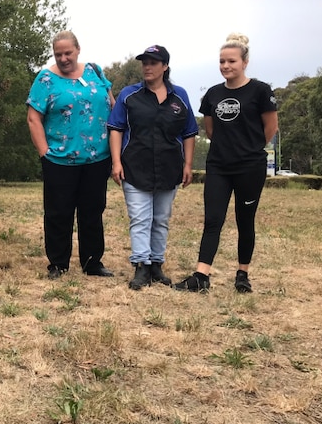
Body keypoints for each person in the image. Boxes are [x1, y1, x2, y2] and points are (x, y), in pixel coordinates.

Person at [173, 33, 278, 293]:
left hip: (250, 167)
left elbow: (270, 128)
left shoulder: (261, 91)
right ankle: (201, 276)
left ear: (245, 62)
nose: (226, 66)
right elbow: (210, 130)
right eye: (222, 61)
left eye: (231, 61)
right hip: (219, 166)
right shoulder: (213, 94)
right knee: (213, 220)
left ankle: (242, 274)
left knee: (245, 220)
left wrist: (249, 148)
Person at [27, 30, 116, 280]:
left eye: (68, 53)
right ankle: (58, 263)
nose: (64, 58)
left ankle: (92, 262)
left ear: (78, 50)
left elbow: (111, 104)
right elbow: (34, 118)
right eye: (58, 54)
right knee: (59, 212)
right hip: (59, 159)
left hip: (97, 158)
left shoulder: (95, 72)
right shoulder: (45, 79)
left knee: (93, 210)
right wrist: (45, 152)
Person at [107, 45, 198, 290]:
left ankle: (156, 264)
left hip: (169, 168)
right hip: (135, 166)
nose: (147, 67)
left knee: (160, 219)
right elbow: (115, 128)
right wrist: (116, 162)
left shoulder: (180, 96)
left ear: (165, 67)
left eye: (153, 62)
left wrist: (188, 164)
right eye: (144, 62)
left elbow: (189, 132)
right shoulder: (129, 95)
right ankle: (141, 266)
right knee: (140, 218)